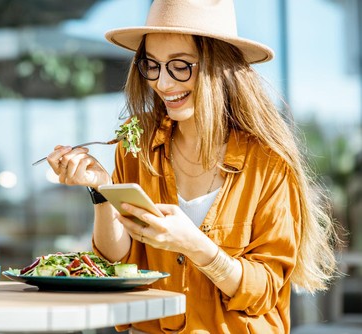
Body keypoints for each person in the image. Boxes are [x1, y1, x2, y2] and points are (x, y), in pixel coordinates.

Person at [46, 0, 341, 333]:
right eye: (152, 65)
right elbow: (119, 264)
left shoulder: (268, 164)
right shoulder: (136, 146)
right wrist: (101, 190)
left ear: (219, 66)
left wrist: (195, 246)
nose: (163, 83)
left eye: (180, 66)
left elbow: (264, 290)